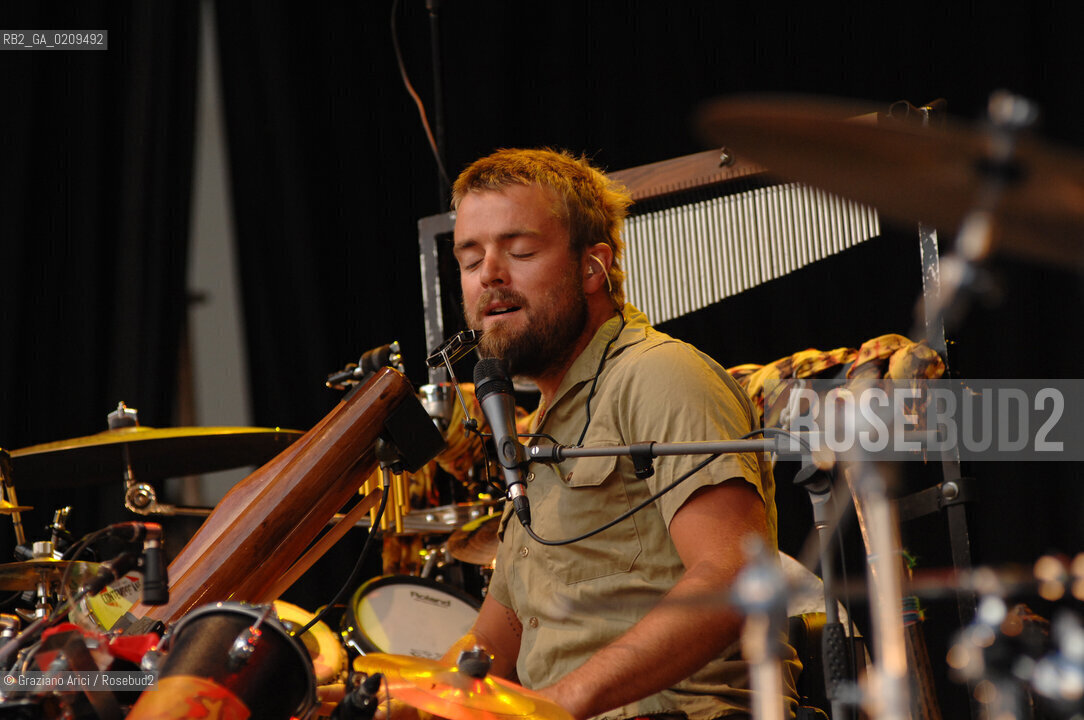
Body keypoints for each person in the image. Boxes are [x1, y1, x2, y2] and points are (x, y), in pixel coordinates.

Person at [442, 147, 798, 720]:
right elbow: (502, 631)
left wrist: (564, 700)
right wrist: (404, 698)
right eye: (469, 258)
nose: (490, 275)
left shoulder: (657, 375)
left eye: (521, 250)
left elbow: (735, 572)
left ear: (592, 267)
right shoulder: (538, 428)